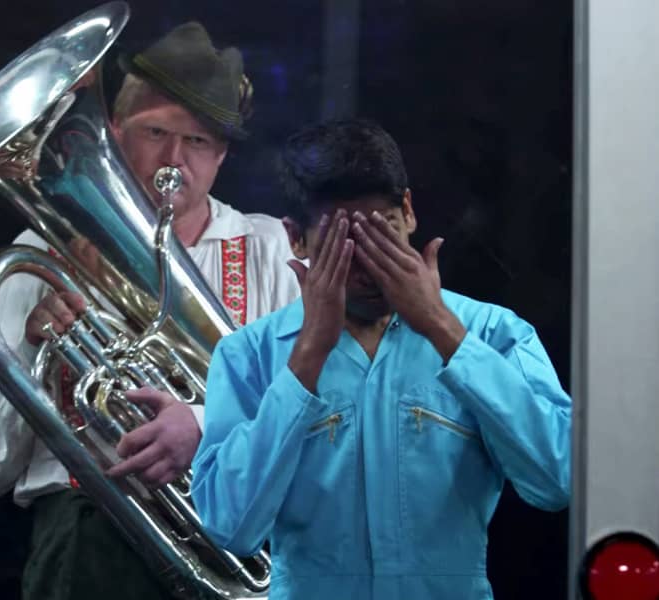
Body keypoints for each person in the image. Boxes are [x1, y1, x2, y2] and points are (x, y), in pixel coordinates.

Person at [0, 21, 301, 600]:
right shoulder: (42, 253)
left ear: (221, 155)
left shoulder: (268, 249)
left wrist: (199, 422)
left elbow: (307, 414)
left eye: (197, 141)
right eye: (156, 132)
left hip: (235, 531)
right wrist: (31, 353)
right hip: (85, 541)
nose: (174, 158)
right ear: (114, 134)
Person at [191, 117, 571, 600]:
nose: (369, 264)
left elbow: (556, 479)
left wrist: (442, 327)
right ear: (296, 239)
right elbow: (230, 526)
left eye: (382, 232)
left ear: (408, 211)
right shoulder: (249, 355)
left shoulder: (494, 333)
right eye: (343, 242)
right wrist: (307, 358)